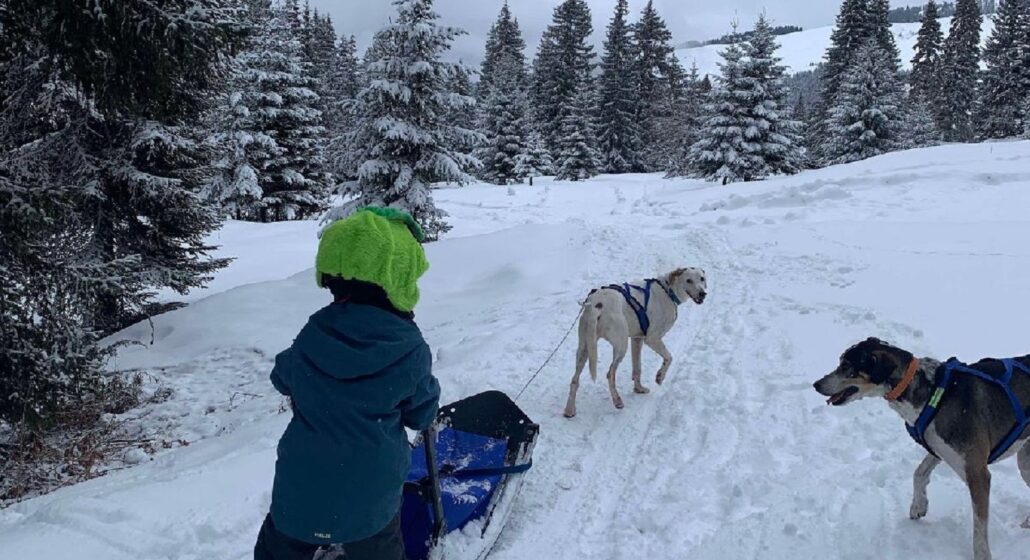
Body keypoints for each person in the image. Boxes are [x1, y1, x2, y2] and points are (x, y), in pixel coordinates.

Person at [254, 207, 441, 560]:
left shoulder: (315, 331)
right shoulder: (408, 346)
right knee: (379, 548)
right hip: (371, 496)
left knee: (278, 548)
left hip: (301, 487)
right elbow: (421, 414)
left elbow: (282, 376)